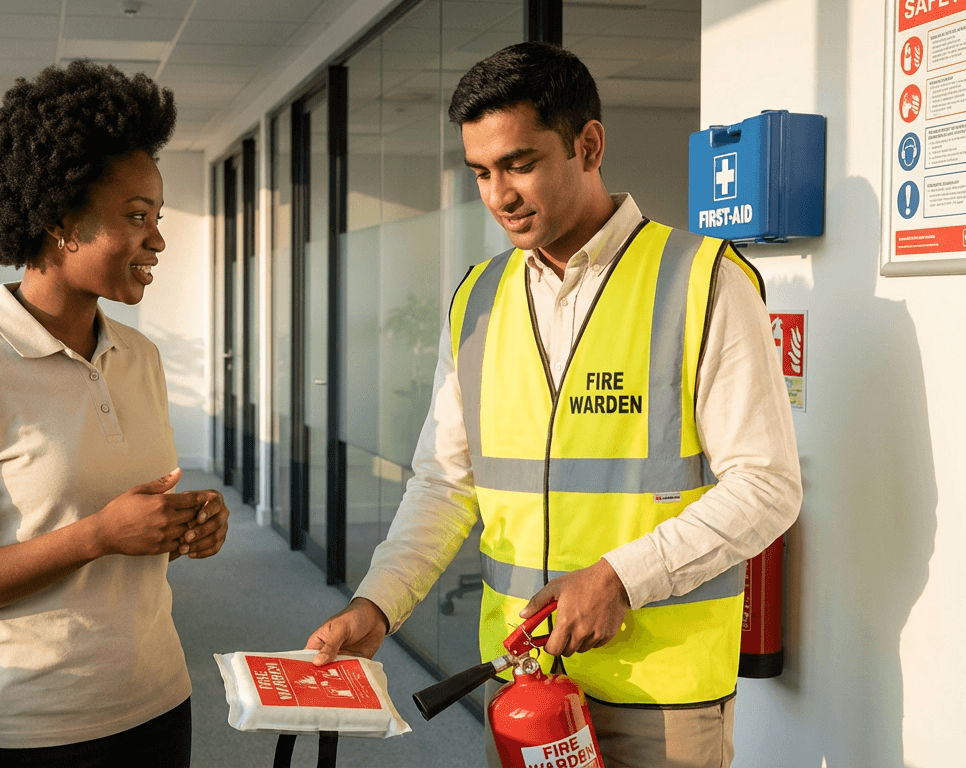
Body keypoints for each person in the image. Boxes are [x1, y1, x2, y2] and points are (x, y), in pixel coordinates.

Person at [304, 42, 800, 768]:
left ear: (588, 144)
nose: (499, 193)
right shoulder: (478, 299)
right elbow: (445, 483)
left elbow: (767, 486)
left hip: (658, 695)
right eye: (481, 171)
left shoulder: (706, 281)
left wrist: (620, 578)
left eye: (521, 163)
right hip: (524, 685)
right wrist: (378, 604)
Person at [0, 61, 229, 768]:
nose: (157, 240)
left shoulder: (140, 359)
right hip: (22, 729)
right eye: (137, 217)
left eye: (157, 217)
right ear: (60, 221)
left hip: (157, 702)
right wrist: (97, 536)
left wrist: (180, 529)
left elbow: (121, 524)